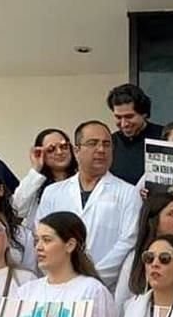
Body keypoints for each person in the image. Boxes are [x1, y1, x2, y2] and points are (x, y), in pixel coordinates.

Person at [36, 120, 142, 288]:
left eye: (107, 144)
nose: (101, 150)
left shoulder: (128, 193)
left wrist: (92, 279)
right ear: (76, 150)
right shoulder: (53, 193)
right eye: (93, 143)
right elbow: (42, 238)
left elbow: (128, 241)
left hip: (107, 287)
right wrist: (64, 277)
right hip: (59, 285)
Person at [13, 128, 78, 228]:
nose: (59, 152)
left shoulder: (83, 178)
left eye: (64, 146)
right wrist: (36, 169)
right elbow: (17, 208)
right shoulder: (36, 183)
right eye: (51, 149)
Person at [107, 83, 164, 185]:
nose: (124, 124)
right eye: (118, 117)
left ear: (144, 114)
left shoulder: (165, 138)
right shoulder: (109, 143)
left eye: (129, 116)